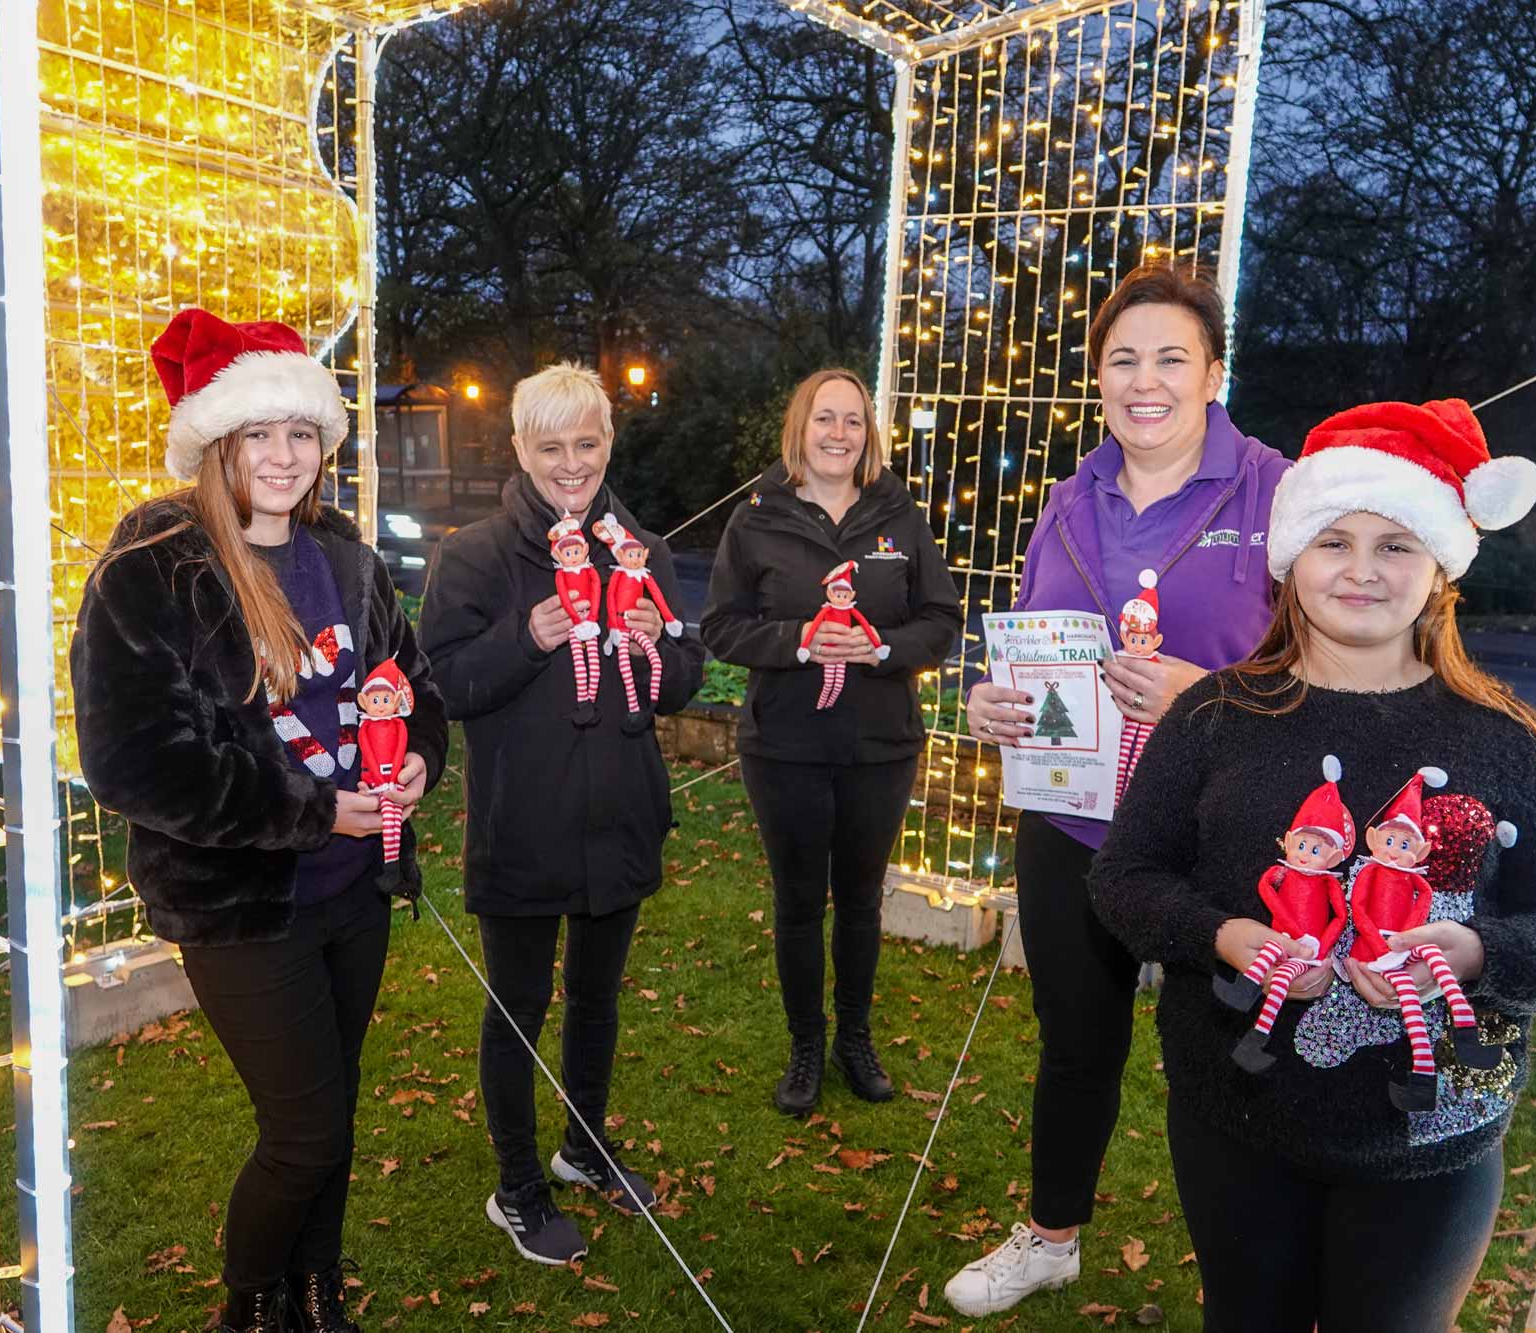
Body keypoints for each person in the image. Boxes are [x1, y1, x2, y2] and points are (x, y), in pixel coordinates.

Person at [1088, 398, 1536, 1332]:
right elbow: (1124, 877)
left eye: (1396, 544)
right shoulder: (1215, 717)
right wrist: (1223, 934)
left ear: (1441, 569)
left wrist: (1475, 953)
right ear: (1293, 563)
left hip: (1433, 1146)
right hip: (1238, 1119)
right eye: (1334, 541)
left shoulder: (1508, 744)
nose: (1363, 570)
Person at [71, 308, 447, 1333]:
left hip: (353, 892)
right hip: (241, 905)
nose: (283, 457)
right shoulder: (155, 567)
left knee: (334, 1114)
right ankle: (245, 1306)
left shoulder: (347, 559)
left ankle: (315, 1293)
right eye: (258, 435)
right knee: (303, 1131)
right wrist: (317, 808)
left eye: (300, 434)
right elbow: (136, 759)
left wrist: (415, 756)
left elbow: (412, 685)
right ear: (215, 443)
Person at [947, 265, 1288, 1316]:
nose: (1145, 380)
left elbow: (1337, 659)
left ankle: (1260, 1276)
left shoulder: (1275, 490)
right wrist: (985, 700)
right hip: (1070, 822)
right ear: (1097, 379)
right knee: (1075, 1041)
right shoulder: (1067, 496)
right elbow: (1022, 633)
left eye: (1170, 358)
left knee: (1228, 1056)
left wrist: (1213, 694)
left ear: (1213, 374)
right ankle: (1051, 1234)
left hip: (1214, 833)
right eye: (1123, 360)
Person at [417, 362, 704, 1267]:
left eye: (587, 444)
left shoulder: (642, 552)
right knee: (519, 1009)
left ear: (609, 443)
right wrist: (526, 635)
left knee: (597, 999)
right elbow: (445, 687)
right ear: (519, 451)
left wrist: (663, 645)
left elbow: (687, 682)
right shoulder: (471, 555)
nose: (572, 465)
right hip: (522, 827)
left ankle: (582, 1147)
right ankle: (517, 1186)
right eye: (551, 448)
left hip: (619, 818)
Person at [701, 369, 961, 1116]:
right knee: (796, 901)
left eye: (853, 421)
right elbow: (721, 626)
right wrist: (803, 643)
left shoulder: (899, 514)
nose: (839, 434)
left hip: (880, 743)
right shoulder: (756, 517)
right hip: (784, 745)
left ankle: (854, 1038)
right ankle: (805, 1045)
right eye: (826, 419)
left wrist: (880, 649)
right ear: (800, 429)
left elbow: (940, 619)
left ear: (868, 433)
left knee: (858, 901)